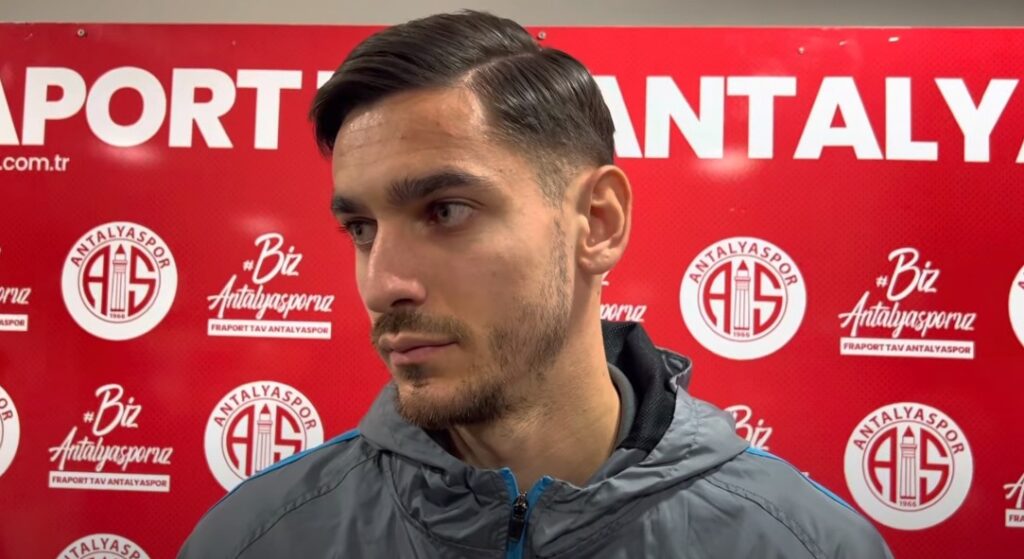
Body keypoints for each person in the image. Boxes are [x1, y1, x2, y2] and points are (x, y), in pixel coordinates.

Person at [180, 11, 892, 558]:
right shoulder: (255, 538)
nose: (383, 283)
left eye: (446, 211)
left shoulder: (802, 544)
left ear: (597, 223)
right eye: (362, 227)